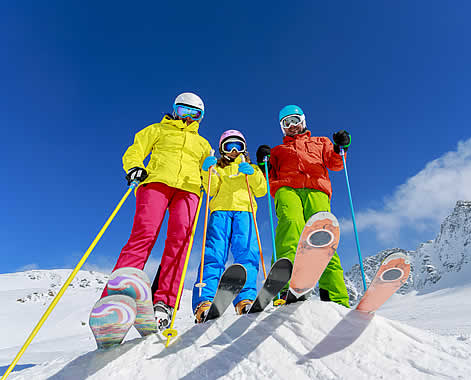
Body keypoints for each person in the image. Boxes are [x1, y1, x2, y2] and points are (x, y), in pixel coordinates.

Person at [100, 92, 212, 330]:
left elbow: (211, 180)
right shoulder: (156, 130)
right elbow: (135, 151)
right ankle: (116, 296)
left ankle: (165, 302)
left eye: (195, 114)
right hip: (156, 182)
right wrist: (134, 167)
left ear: (201, 118)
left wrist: (211, 174)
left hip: (189, 190)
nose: (189, 118)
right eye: (184, 111)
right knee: (144, 234)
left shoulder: (203, 144)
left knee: (180, 242)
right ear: (174, 109)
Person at [256, 105, 351, 308]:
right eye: (286, 123)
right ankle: (286, 287)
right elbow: (266, 177)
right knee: (291, 224)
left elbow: (336, 164)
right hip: (286, 188)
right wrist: (263, 162)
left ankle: (336, 299)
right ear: (282, 128)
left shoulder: (320, 142)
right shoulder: (278, 151)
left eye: (294, 120)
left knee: (323, 237)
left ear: (303, 121)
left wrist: (339, 147)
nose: (291, 126)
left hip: (317, 189)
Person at [192, 130, 267, 321]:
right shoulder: (218, 167)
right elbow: (211, 189)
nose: (234, 150)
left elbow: (261, 190)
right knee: (213, 253)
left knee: (247, 254)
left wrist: (252, 173)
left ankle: (246, 299)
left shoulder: (249, 167)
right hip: (220, 212)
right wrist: (206, 170)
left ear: (244, 148)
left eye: (238, 146)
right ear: (221, 149)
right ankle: (205, 300)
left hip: (245, 212)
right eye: (229, 146)